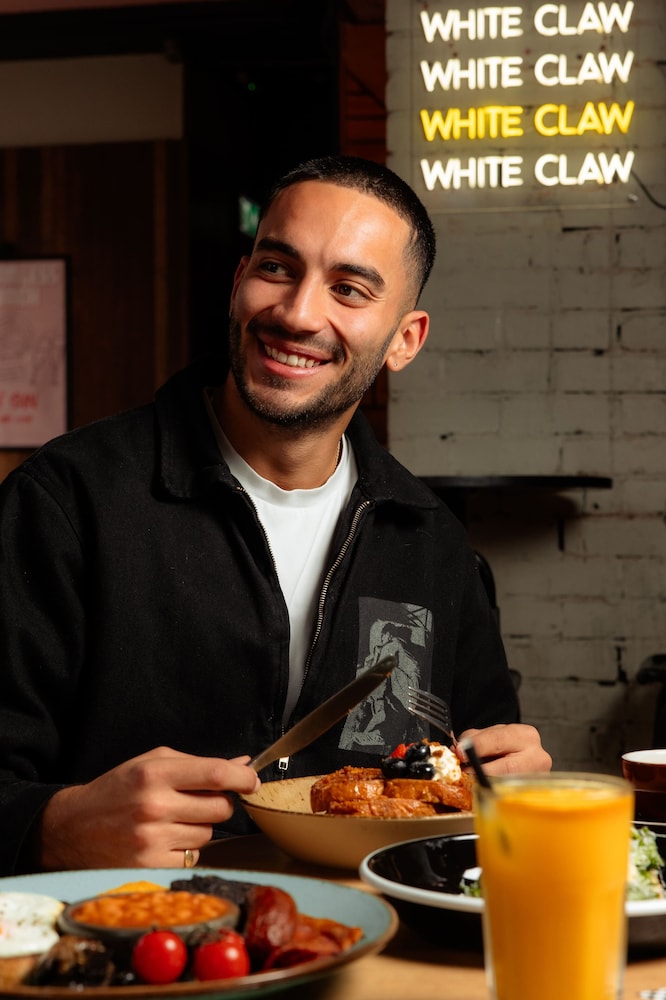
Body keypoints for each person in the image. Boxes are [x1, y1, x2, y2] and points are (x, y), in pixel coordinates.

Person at [0, 155, 550, 876]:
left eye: (349, 289)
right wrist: (50, 828)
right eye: (277, 268)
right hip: (128, 934)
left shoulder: (432, 542)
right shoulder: (65, 502)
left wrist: (513, 787)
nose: (297, 313)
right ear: (239, 282)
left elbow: (479, 793)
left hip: (374, 939)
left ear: (404, 340)